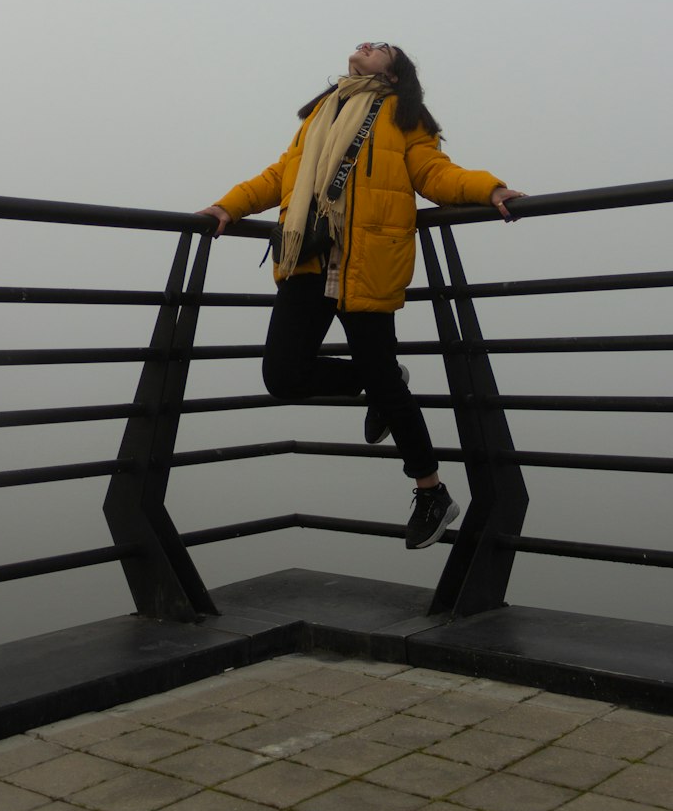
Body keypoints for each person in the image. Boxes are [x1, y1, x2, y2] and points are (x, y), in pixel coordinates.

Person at [198, 42, 523, 551]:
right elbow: (281, 175)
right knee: (283, 374)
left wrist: (491, 189)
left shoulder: (405, 117)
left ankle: (430, 491)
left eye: (382, 48)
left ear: (394, 76)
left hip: (367, 260)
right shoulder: (321, 113)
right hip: (307, 255)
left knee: (381, 379)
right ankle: (380, 379)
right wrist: (226, 207)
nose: (368, 45)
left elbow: (435, 174)